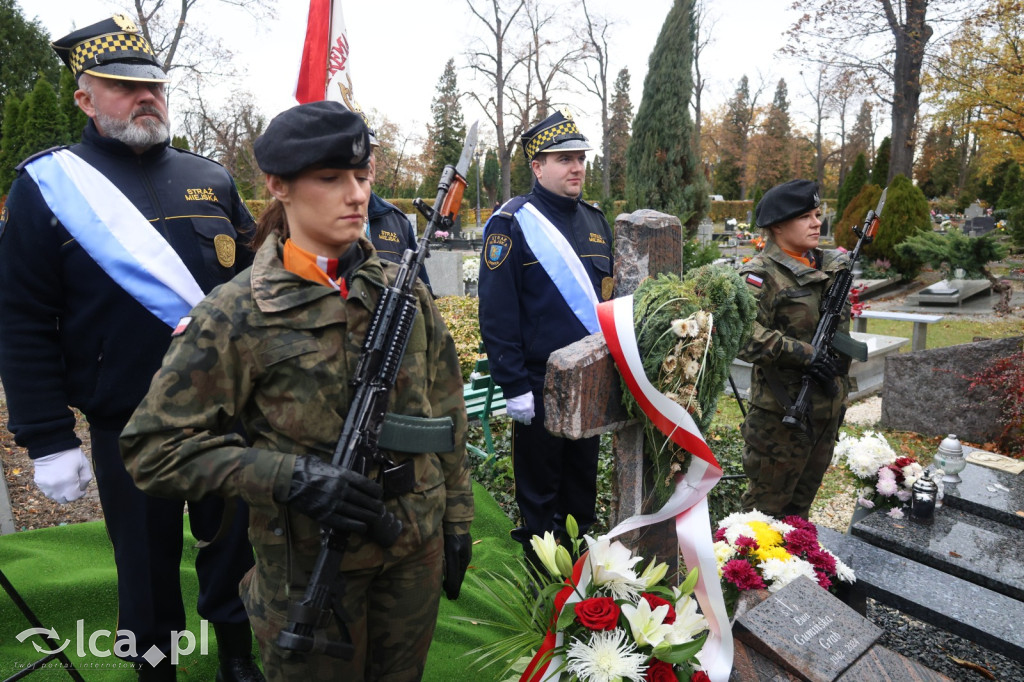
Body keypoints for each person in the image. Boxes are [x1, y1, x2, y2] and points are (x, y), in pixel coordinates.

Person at [119, 101, 473, 681]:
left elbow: (445, 409)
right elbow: (151, 450)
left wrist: (456, 520)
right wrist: (290, 477)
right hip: (309, 568)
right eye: (330, 179)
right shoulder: (236, 314)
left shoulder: (402, 291)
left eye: (362, 177)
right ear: (278, 185)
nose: (355, 195)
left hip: (413, 553)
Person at [0, 15, 261, 681]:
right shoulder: (47, 189)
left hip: (226, 410)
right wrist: (48, 437)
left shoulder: (211, 178)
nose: (146, 97)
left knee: (236, 550)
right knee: (144, 572)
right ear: (84, 97)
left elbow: (258, 286)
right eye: (123, 86)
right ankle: (156, 670)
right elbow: (23, 320)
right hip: (129, 420)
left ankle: (236, 657)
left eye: (154, 86)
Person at [477, 110, 613, 568]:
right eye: (563, 159)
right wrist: (513, 385)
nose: (576, 167)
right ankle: (541, 591)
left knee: (582, 491)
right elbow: (497, 313)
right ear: (537, 167)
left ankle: (582, 586)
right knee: (540, 499)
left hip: (590, 383)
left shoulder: (596, 222)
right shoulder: (512, 223)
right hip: (537, 385)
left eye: (580, 157)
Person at [736, 179, 856, 518]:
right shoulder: (760, 274)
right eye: (805, 216)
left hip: (826, 410)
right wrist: (804, 354)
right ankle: (745, 572)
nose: (817, 223)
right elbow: (743, 334)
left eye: (817, 214)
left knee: (799, 513)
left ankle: (793, 568)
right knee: (762, 517)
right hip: (781, 418)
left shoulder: (831, 267)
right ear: (777, 225)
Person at [364, 125, 432, 290]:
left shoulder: (396, 220)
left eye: (370, 151)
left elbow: (423, 293)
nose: (366, 159)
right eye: (356, 151)